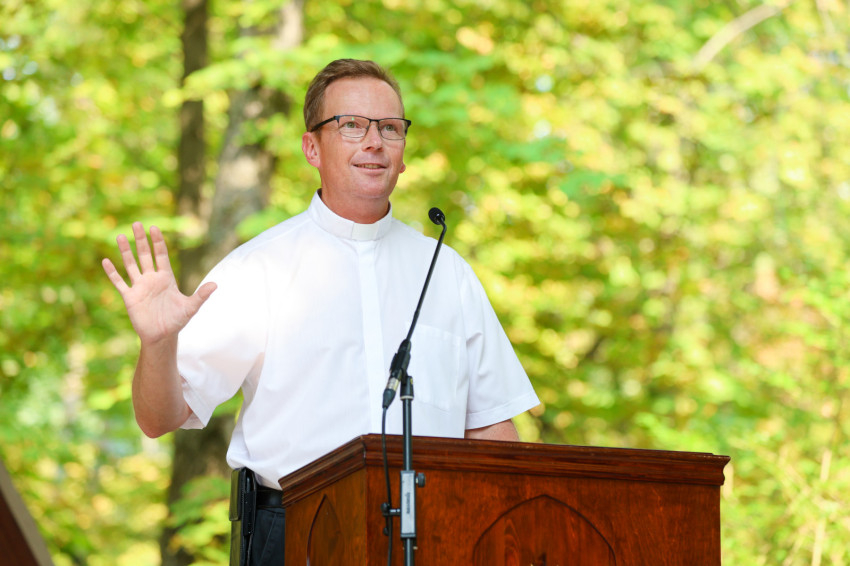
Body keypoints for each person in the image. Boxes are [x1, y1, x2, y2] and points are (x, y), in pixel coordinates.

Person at [102, 59, 539, 564]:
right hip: (294, 532)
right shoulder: (256, 268)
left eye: (390, 128)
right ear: (311, 148)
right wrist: (157, 343)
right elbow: (160, 417)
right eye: (351, 125)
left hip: (438, 531)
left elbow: (491, 428)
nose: (374, 142)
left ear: (403, 153)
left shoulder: (447, 272)